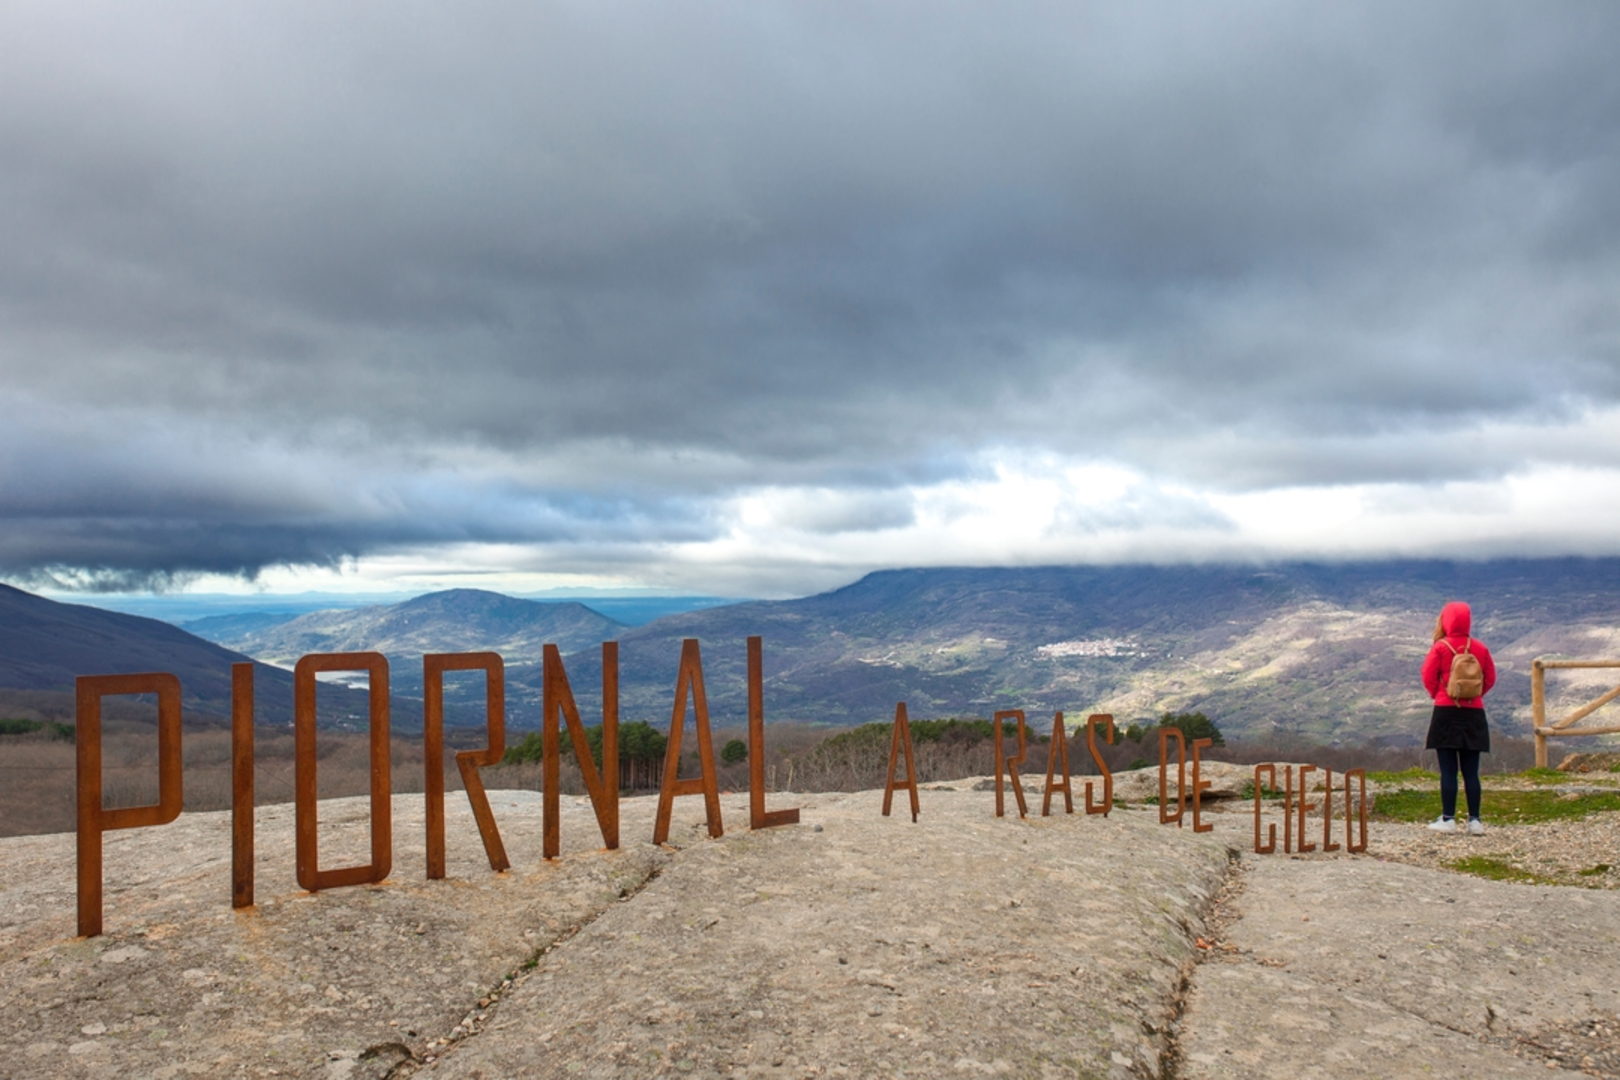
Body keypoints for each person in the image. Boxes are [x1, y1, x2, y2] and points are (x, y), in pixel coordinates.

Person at [1420, 601, 1496, 834]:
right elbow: (1490, 678)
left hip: (1446, 711)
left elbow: (1427, 676)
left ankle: (1448, 819)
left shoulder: (1440, 648)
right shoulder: (1480, 648)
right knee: (1471, 771)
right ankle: (1475, 821)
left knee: (1448, 770)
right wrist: (1475, 697)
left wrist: (1440, 694)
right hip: (1474, 714)